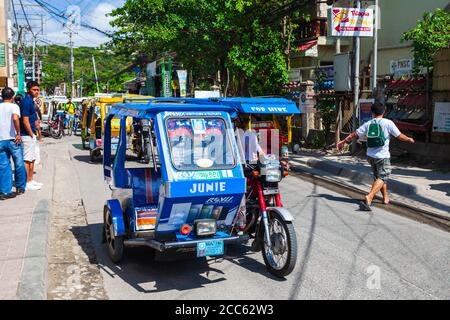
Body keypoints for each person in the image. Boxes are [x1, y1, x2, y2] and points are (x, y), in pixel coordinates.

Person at [336, 102, 415, 209]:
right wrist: (408, 139)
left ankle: (385, 197)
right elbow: (399, 135)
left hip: (370, 156)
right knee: (383, 176)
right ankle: (370, 196)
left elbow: (355, 134)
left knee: (379, 177)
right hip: (382, 156)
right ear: (384, 111)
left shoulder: (369, 123)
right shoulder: (388, 123)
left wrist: (343, 141)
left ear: (372, 112)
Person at [0, 87, 27, 199]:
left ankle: (5, 191)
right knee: (19, 163)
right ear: (12, 97)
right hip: (13, 139)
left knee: (3, 165)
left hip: (1, 140)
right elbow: (15, 118)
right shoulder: (14, 106)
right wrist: (18, 133)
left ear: (2, 96)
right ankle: (20, 187)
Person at [19, 81, 43, 191]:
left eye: (38, 89)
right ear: (29, 90)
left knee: (32, 158)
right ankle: (26, 182)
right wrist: (31, 133)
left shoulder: (31, 101)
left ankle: (30, 180)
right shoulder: (26, 102)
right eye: (34, 89)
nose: (37, 92)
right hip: (27, 134)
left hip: (31, 133)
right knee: (27, 159)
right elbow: (25, 120)